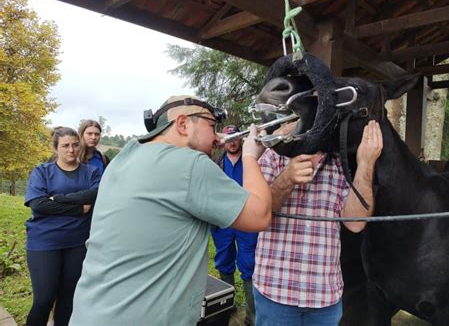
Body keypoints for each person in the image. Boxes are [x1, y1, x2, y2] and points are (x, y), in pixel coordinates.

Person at [69, 95, 272, 326]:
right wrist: (250, 155)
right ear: (183, 124)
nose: (217, 138)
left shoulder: (123, 158)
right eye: (211, 126)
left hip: (90, 313)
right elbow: (260, 215)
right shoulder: (189, 163)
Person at [253, 120, 383, 326]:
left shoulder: (339, 163)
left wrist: (366, 164)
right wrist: (287, 178)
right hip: (275, 293)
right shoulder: (274, 156)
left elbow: (356, 222)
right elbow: (258, 211)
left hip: (325, 298)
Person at [24, 126, 101, 326]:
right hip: (44, 242)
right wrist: (78, 209)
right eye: (65, 146)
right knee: (44, 299)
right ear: (56, 148)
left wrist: (58, 198)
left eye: (75, 145)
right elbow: (38, 204)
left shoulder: (91, 172)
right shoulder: (42, 171)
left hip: (77, 242)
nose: (71, 150)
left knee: (68, 299)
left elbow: (96, 194)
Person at [211, 125, 258, 326]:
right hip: (222, 222)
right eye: (228, 137)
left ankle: (252, 315)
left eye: (236, 137)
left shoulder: (252, 160)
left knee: (248, 264)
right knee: (224, 262)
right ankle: (226, 308)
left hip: (246, 220)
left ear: (242, 139)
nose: (232, 141)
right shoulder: (215, 162)